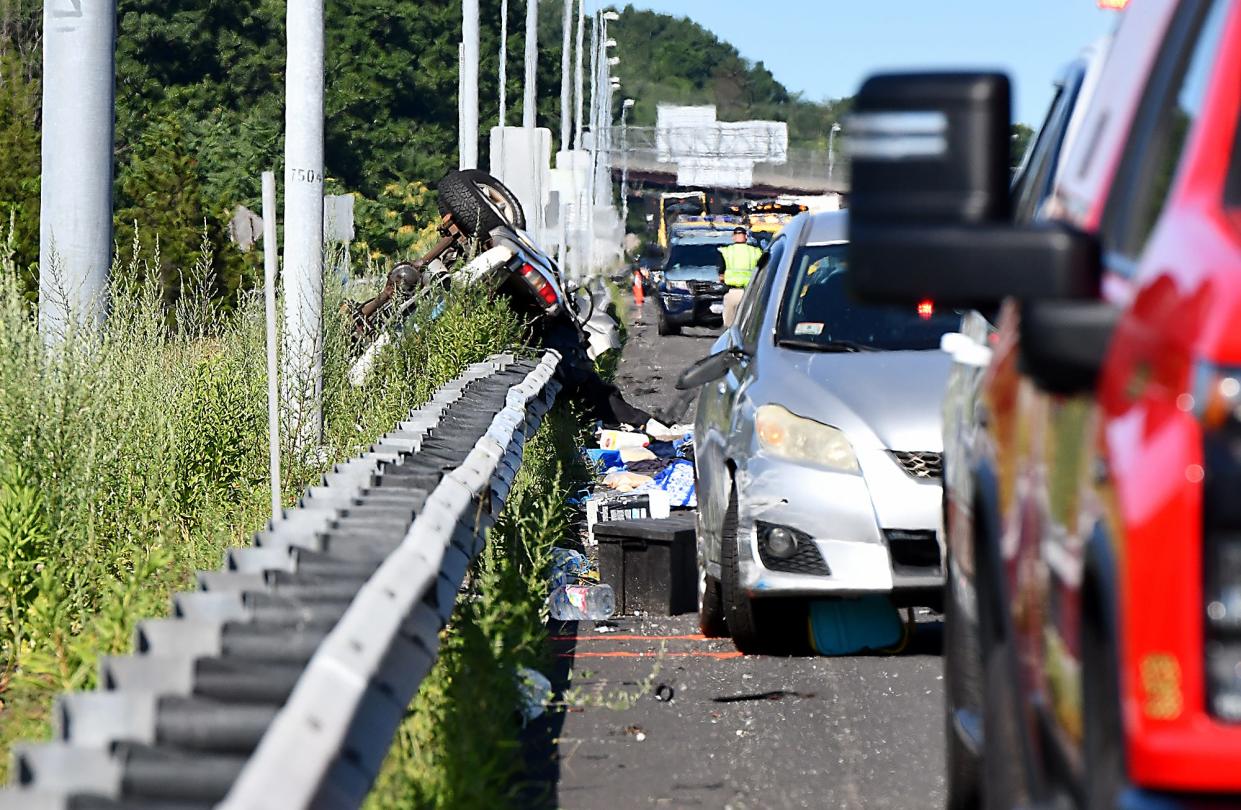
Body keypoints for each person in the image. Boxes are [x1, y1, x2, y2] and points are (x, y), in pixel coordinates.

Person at [717, 227, 763, 328]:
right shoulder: (756, 252)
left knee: (730, 327)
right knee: (748, 326)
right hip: (750, 293)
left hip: (732, 292)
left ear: (733, 237)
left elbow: (721, 275)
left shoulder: (726, 252)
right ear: (746, 237)